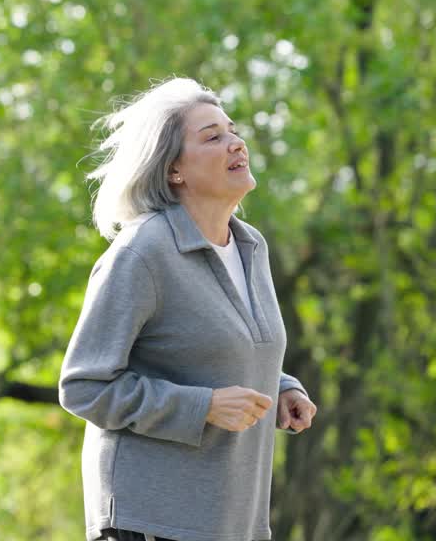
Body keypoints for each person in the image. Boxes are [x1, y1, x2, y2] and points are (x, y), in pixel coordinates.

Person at [58, 78, 318, 541]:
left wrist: (279, 387)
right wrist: (203, 407)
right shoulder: (143, 253)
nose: (235, 143)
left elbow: (214, 348)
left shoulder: (250, 246)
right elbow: (84, 386)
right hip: (149, 520)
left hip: (232, 521)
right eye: (213, 137)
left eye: (233, 131)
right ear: (173, 169)